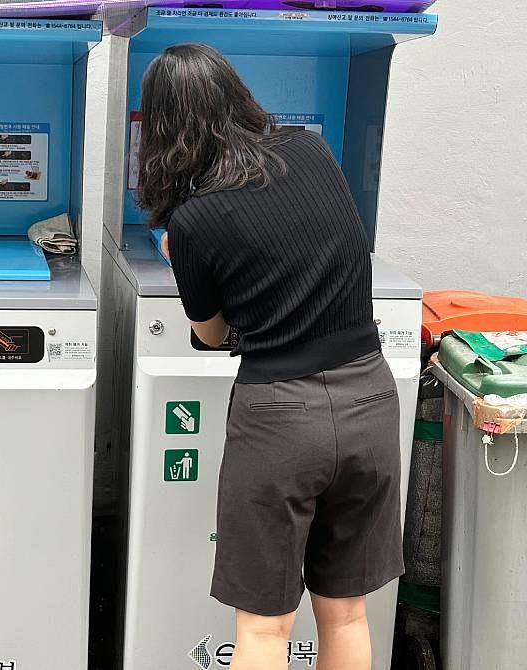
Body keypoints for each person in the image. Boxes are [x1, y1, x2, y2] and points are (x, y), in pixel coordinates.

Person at [137, 44, 403, 670]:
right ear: (238, 96)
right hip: (371, 399)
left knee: (263, 628)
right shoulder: (311, 152)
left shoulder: (193, 221)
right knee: (344, 612)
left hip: (282, 418)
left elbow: (208, 334)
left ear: (164, 127)